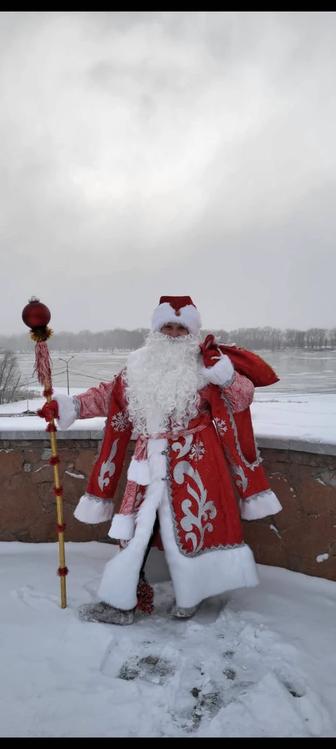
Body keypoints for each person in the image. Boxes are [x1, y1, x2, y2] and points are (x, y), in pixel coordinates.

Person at [39, 295, 282, 625]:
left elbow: (241, 398)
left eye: (180, 328)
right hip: (147, 462)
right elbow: (107, 397)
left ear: (191, 332)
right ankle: (121, 601)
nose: (172, 333)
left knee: (195, 529)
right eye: (166, 326)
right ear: (155, 329)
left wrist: (226, 377)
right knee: (136, 530)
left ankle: (191, 596)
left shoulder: (207, 365)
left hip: (197, 462)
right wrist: (70, 407)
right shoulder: (138, 365)